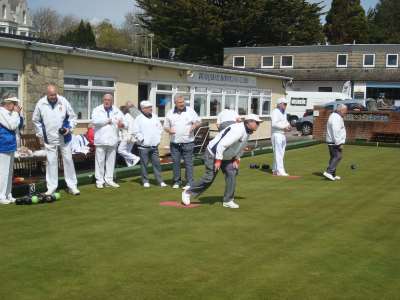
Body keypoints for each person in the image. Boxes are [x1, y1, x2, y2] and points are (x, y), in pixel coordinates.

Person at [181, 114, 262, 209]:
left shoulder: (248, 131)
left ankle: (228, 200)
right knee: (209, 178)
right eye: (257, 123)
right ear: (249, 122)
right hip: (214, 153)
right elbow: (221, 145)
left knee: (232, 173)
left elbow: (241, 147)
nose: (258, 125)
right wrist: (218, 161)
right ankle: (188, 192)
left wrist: (237, 159)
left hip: (227, 156)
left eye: (259, 123)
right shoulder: (238, 130)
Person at [32, 85, 80, 195]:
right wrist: (41, 134)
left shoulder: (63, 101)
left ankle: (72, 186)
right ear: (47, 94)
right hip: (49, 138)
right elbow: (36, 120)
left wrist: (69, 129)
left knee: (68, 160)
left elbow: (72, 117)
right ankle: (52, 187)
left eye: (55, 94)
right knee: (51, 162)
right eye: (51, 95)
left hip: (65, 137)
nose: (54, 97)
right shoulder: (41, 103)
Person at [164, 95, 200, 189]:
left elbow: (198, 121)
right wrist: (169, 131)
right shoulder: (170, 112)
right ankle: (177, 181)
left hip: (188, 142)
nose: (182, 104)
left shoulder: (190, 110)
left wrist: (194, 126)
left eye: (183, 102)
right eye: (180, 102)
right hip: (175, 143)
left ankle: (189, 182)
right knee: (176, 162)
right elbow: (166, 126)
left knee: (188, 163)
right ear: (175, 103)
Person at [92, 94, 126, 189]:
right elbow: (95, 121)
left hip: (113, 139)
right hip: (101, 140)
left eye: (109, 100)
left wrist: (122, 124)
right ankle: (99, 181)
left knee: (111, 161)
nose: (107, 101)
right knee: (100, 161)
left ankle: (109, 180)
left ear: (112, 101)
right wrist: (108, 120)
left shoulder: (117, 111)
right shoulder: (97, 109)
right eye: (105, 100)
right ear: (103, 100)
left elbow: (125, 123)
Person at [131, 100, 167, 188]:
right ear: (143, 109)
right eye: (148, 107)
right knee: (144, 164)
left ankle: (160, 181)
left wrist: (158, 139)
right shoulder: (138, 118)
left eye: (151, 107)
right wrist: (142, 140)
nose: (150, 109)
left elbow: (159, 128)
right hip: (143, 146)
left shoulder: (155, 116)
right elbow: (135, 131)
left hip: (154, 146)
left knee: (157, 164)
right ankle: (145, 180)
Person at [0, 95, 23, 204]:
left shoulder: (11, 114)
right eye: (14, 103)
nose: (16, 106)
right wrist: (16, 114)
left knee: (9, 172)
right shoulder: (1, 112)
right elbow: (12, 126)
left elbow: (19, 125)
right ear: (7, 103)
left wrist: (18, 115)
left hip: (11, 145)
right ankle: (1, 196)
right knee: (3, 172)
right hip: (3, 145)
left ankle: (8, 194)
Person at [323, 104, 348, 181]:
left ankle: (332, 174)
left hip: (333, 141)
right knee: (338, 156)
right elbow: (336, 131)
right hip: (334, 142)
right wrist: (339, 143)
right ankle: (329, 172)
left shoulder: (335, 116)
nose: (345, 113)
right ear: (341, 110)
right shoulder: (336, 118)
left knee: (334, 157)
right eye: (345, 111)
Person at [271, 98, 291, 176]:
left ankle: (275, 169)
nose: (286, 105)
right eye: (284, 104)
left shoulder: (284, 113)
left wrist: (288, 126)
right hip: (276, 134)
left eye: (286, 104)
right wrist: (284, 127)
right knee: (278, 153)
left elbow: (285, 122)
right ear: (279, 104)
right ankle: (280, 171)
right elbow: (274, 124)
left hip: (282, 134)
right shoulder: (275, 112)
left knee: (281, 153)